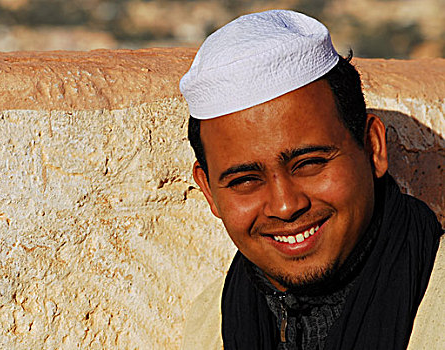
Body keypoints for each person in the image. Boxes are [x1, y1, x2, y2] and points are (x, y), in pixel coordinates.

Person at [179, 10, 443, 350]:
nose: (286, 206)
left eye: (309, 164)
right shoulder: (210, 323)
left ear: (373, 148)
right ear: (209, 192)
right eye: (246, 180)